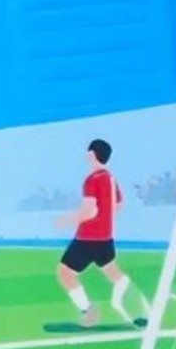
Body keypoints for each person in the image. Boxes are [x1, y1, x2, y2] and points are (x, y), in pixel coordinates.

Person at [55, 138, 146, 329]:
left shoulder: (92, 179)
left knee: (65, 273)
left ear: (91, 154)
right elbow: (118, 205)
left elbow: (89, 211)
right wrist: (103, 217)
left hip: (88, 238)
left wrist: (67, 220)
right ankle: (138, 310)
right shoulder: (111, 179)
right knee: (114, 274)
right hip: (106, 238)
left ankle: (88, 311)